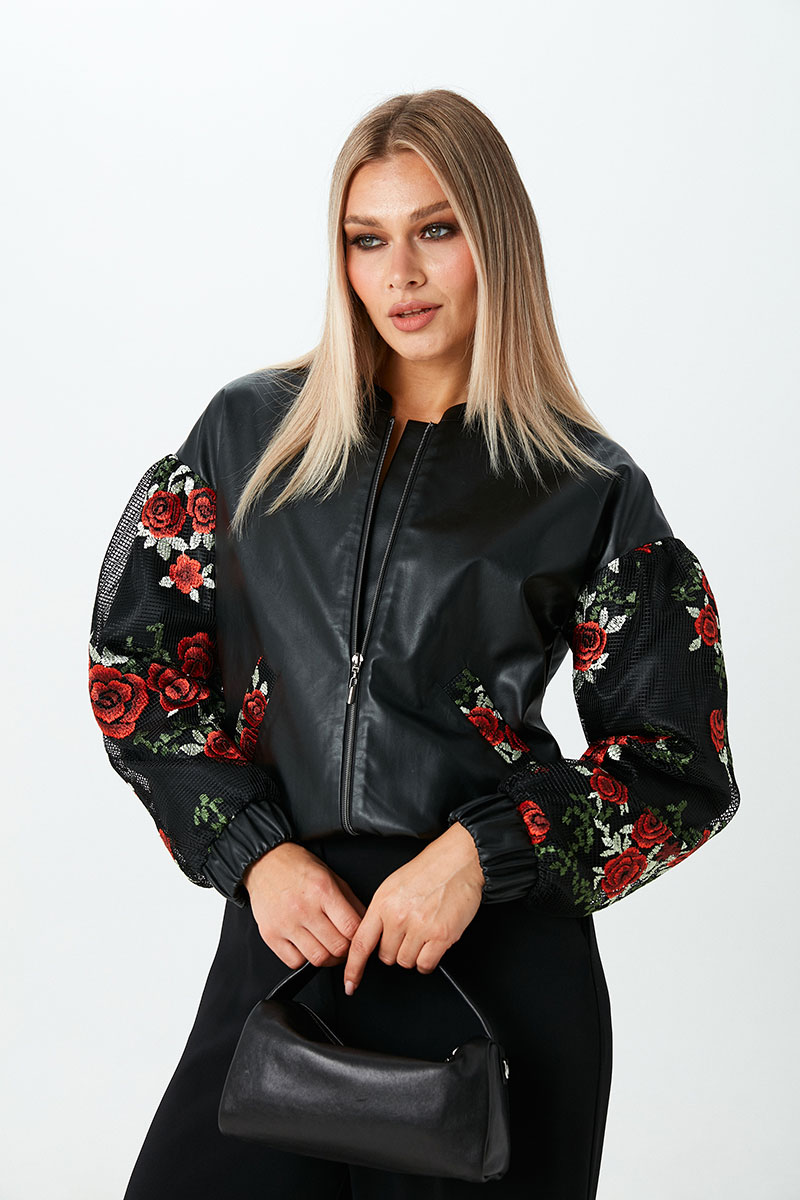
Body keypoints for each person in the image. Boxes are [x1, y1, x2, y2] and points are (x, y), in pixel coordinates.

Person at [87, 88, 740, 1199]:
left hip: (488, 971)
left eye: (435, 230)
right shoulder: (249, 435)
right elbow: (136, 670)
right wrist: (253, 852)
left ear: (495, 242)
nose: (400, 273)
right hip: (288, 947)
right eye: (367, 239)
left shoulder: (584, 485)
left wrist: (477, 857)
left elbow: (677, 764)